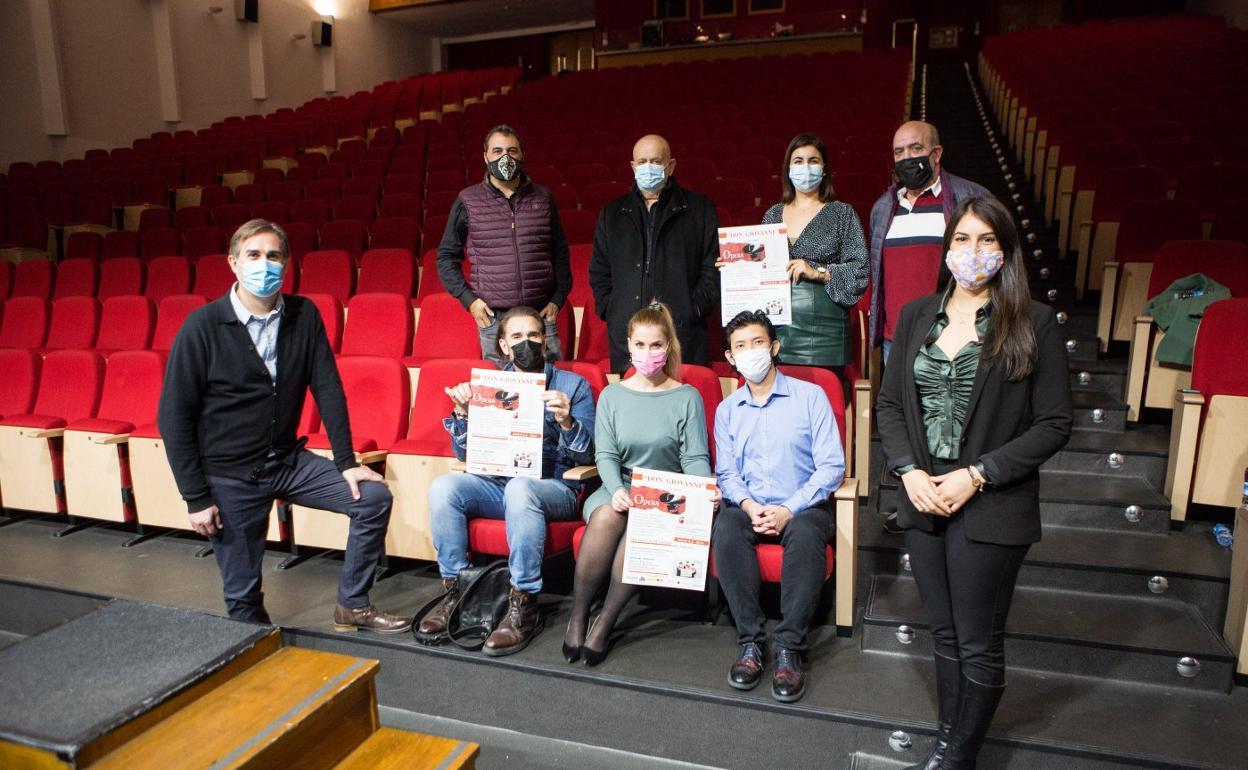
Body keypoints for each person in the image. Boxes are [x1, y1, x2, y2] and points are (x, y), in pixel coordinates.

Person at [875, 197, 1072, 770]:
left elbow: (1055, 424)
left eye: (987, 241)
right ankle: (947, 739)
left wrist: (978, 474)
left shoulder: (1032, 321)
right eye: (962, 239)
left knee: (977, 639)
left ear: (1006, 251)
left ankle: (958, 755)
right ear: (947, 248)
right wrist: (908, 470)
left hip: (991, 503)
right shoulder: (915, 315)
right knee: (943, 633)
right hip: (923, 498)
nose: (972, 252)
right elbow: (890, 406)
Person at [157, 219, 409, 632]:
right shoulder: (202, 327)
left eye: (273, 256)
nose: (264, 264)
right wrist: (195, 497)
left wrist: (346, 462)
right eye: (253, 255)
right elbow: (173, 418)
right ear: (233, 263)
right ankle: (262, 665)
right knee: (243, 601)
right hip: (230, 476)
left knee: (372, 498)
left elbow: (327, 387)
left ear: (287, 263)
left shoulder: (303, 315)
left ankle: (352, 604)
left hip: (287, 462)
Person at [420, 306, 596, 656]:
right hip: (499, 482)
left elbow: (589, 458)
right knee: (444, 487)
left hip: (555, 487)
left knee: (521, 488)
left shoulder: (573, 386)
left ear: (545, 341)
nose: (526, 343)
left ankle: (523, 603)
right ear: (502, 345)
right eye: (517, 337)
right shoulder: (491, 386)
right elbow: (463, 455)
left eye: (533, 335)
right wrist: (462, 414)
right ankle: (457, 592)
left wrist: (566, 421)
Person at [562, 302, 714, 665]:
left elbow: (694, 457)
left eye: (656, 345)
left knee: (641, 534)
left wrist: (701, 491)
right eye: (641, 345)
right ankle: (579, 615)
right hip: (619, 485)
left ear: (668, 347)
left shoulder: (686, 397)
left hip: (664, 495)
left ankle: (606, 621)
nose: (648, 353)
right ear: (629, 345)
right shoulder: (613, 396)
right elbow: (607, 456)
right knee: (604, 518)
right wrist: (615, 490)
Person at [712, 311, 845, 703]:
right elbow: (727, 473)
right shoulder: (728, 410)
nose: (750, 352)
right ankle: (751, 642)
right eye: (740, 346)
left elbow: (831, 467)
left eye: (757, 342)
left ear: (774, 347)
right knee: (727, 526)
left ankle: (789, 648)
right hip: (750, 506)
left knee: (805, 533)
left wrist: (789, 508)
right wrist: (751, 506)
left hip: (803, 506)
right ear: (730, 357)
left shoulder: (810, 397)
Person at [437, 124, 573, 366]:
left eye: (512, 151)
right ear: (485, 156)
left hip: (540, 315)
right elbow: (446, 257)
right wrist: (469, 301)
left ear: (522, 155)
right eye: (497, 151)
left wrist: (558, 299)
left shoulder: (543, 197)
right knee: (502, 397)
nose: (505, 157)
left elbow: (560, 251)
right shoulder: (468, 200)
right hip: (494, 319)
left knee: (549, 390)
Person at [589, 134, 720, 373]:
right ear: (632, 166)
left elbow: (712, 268)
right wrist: (612, 310)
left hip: (682, 334)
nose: (648, 167)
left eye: (656, 161)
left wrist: (693, 309)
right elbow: (599, 272)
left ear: (670, 166)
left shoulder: (699, 209)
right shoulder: (612, 214)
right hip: (628, 334)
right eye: (642, 162)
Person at [869, 121, 990, 364]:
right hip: (897, 341)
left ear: (936, 153)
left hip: (954, 336)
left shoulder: (971, 198)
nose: (906, 158)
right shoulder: (883, 208)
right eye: (898, 152)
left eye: (915, 149)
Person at [762, 134, 868, 377]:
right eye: (798, 161)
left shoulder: (842, 213)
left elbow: (859, 271)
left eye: (813, 160)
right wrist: (736, 267)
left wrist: (819, 272)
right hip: (777, 332)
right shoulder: (773, 215)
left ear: (824, 169)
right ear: (788, 168)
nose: (805, 167)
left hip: (825, 336)